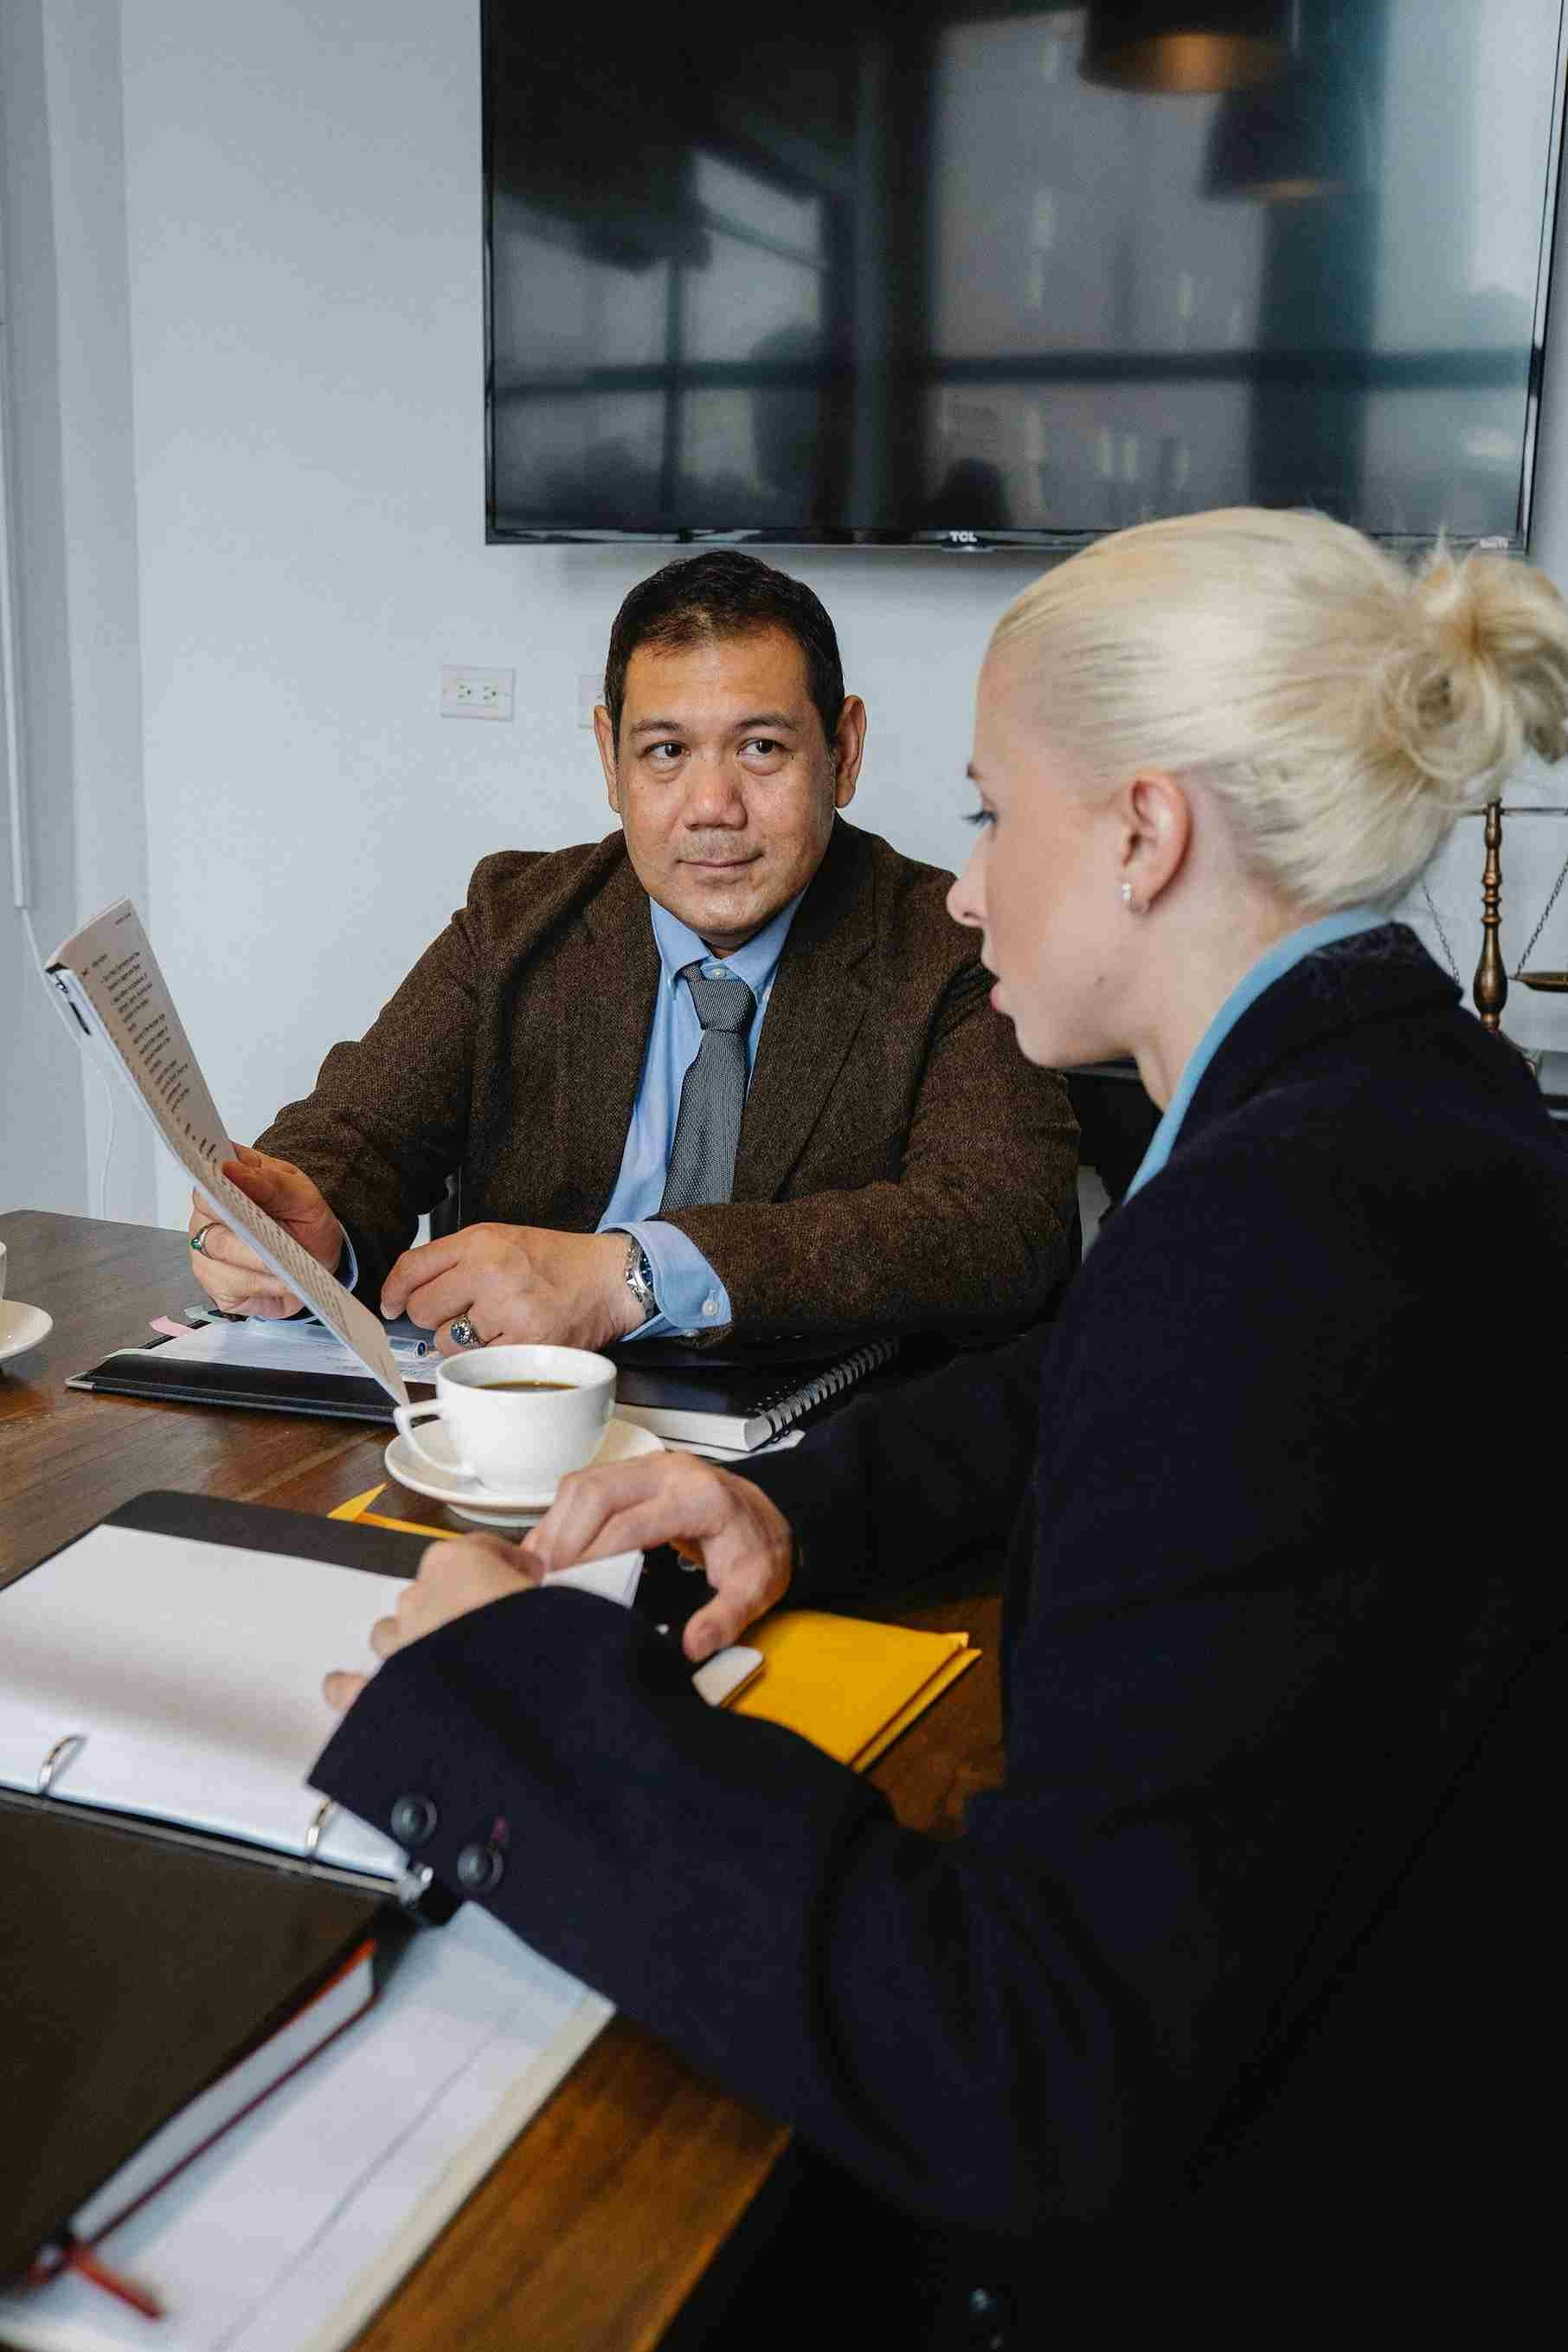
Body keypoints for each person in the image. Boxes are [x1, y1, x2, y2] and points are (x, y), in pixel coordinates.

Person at [311, 509, 1568, 2336]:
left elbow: (1029, 2065)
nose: (968, 884)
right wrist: (794, 1510)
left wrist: (521, 1703)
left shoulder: (1258, 1243)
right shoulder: (1398, 1095)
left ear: (1142, 833)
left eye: (996, 815)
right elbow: (1094, 1377)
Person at [184, 551, 1077, 1355]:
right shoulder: (516, 921)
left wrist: (632, 1275)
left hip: (812, 1468)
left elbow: (1004, 1228)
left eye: (761, 748)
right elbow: (359, 1133)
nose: (712, 806)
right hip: (522, 1432)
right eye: (665, 752)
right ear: (610, 761)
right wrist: (310, 1225)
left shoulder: (952, 947)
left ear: (842, 753)